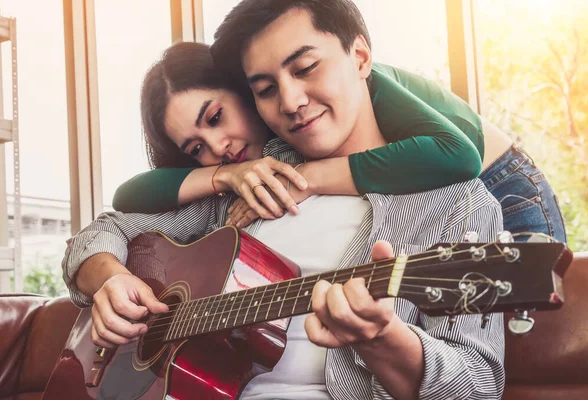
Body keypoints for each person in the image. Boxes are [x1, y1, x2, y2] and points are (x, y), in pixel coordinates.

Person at [63, 1, 506, 399]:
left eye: (306, 67)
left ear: (360, 57)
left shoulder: (457, 206)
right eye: (266, 89)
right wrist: (109, 281)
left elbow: (480, 384)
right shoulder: (250, 188)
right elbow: (105, 229)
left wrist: (386, 340)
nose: (291, 101)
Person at [111, 10, 566, 244]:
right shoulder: (272, 146)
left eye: (216, 118)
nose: (217, 145)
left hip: (500, 182)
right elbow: (127, 197)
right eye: (195, 148)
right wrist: (222, 176)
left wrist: (305, 179)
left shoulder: (364, 87)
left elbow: (457, 156)